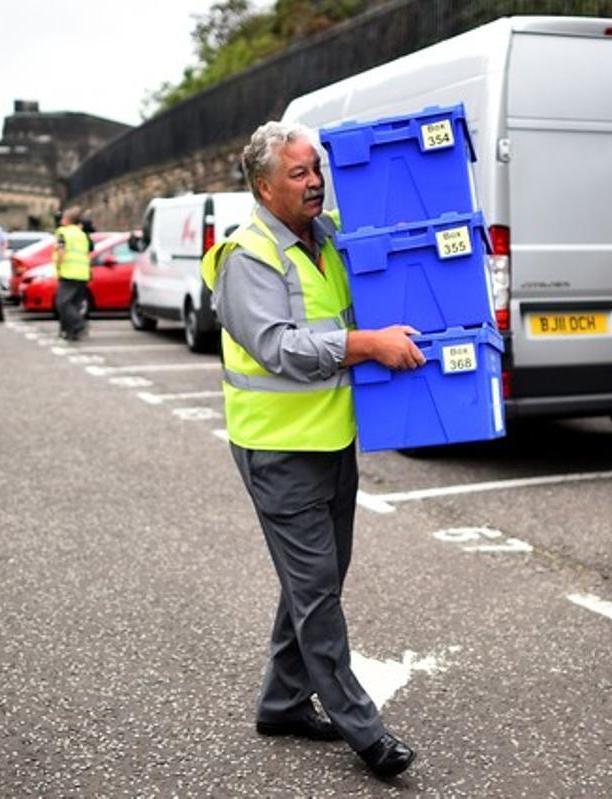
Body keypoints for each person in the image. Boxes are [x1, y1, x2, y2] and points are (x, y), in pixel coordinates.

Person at [201, 121, 425, 779]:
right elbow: (279, 348)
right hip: (276, 447)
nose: (313, 182)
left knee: (316, 580)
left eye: (316, 169)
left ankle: (281, 703)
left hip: (331, 436)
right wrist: (368, 344)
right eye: (298, 174)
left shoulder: (324, 239)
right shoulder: (246, 256)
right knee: (317, 589)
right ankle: (366, 730)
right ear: (264, 186)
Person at [53, 206, 91, 341]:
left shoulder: (63, 233)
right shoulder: (82, 235)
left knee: (62, 303)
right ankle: (71, 332)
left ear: (67, 220)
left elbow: (61, 252)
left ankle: (79, 324)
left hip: (68, 272)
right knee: (74, 304)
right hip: (83, 274)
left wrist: (58, 267)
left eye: (63, 217)